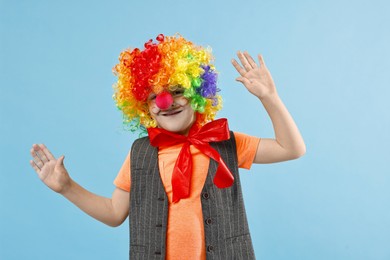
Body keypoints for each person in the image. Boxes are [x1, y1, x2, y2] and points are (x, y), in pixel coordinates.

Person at [29, 34, 306, 260]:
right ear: (144, 107)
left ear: (198, 93)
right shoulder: (140, 153)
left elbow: (291, 148)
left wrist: (270, 98)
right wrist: (67, 187)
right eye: (155, 96)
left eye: (177, 90)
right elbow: (114, 213)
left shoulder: (223, 140)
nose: (166, 101)